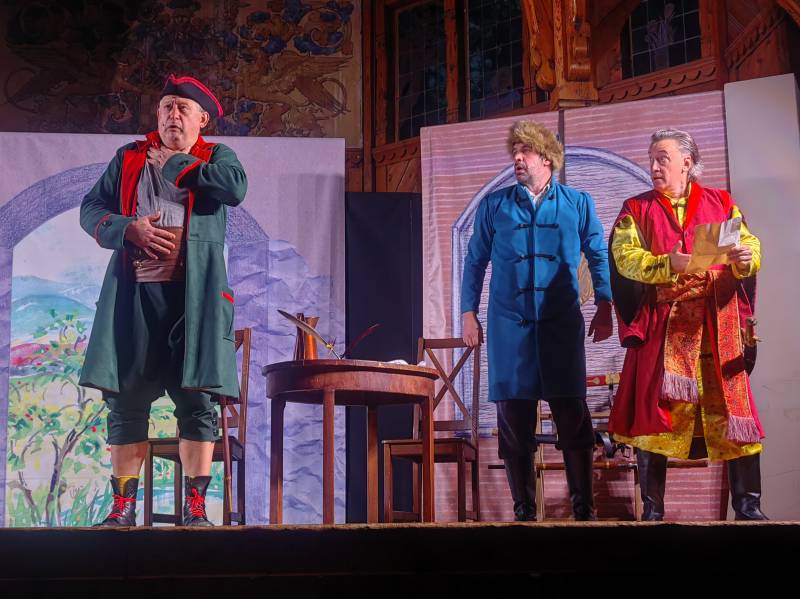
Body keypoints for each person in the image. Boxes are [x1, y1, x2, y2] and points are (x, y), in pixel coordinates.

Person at [79, 74, 247, 526]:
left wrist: (175, 163)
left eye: (183, 109)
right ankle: (123, 508)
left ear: (202, 119)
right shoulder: (129, 156)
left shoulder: (217, 157)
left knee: (197, 402)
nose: (173, 115)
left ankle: (196, 508)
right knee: (126, 400)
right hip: (136, 296)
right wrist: (127, 229)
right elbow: (91, 208)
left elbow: (235, 188)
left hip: (196, 301)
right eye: (167, 107)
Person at [608, 128, 767, 521]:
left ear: (687, 162)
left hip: (716, 326)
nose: (654, 166)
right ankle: (652, 511)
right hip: (665, 328)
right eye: (651, 159)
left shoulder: (721, 202)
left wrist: (746, 258)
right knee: (655, 416)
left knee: (734, 411)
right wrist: (667, 264)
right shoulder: (636, 209)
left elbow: (749, 243)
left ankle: (749, 508)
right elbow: (624, 257)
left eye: (662, 158)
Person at [461, 120, 613, 521]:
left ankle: (584, 510)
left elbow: (598, 253)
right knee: (514, 420)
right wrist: (467, 312)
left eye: (525, 151)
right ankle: (524, 513)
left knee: (572, 414)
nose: (517, 157)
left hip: (560, 324)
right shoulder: (494, 205)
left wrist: (605, 303)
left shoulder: (577, 203)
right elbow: (475, 261)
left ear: (547, 158)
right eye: (515, 150)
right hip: (509, 327)